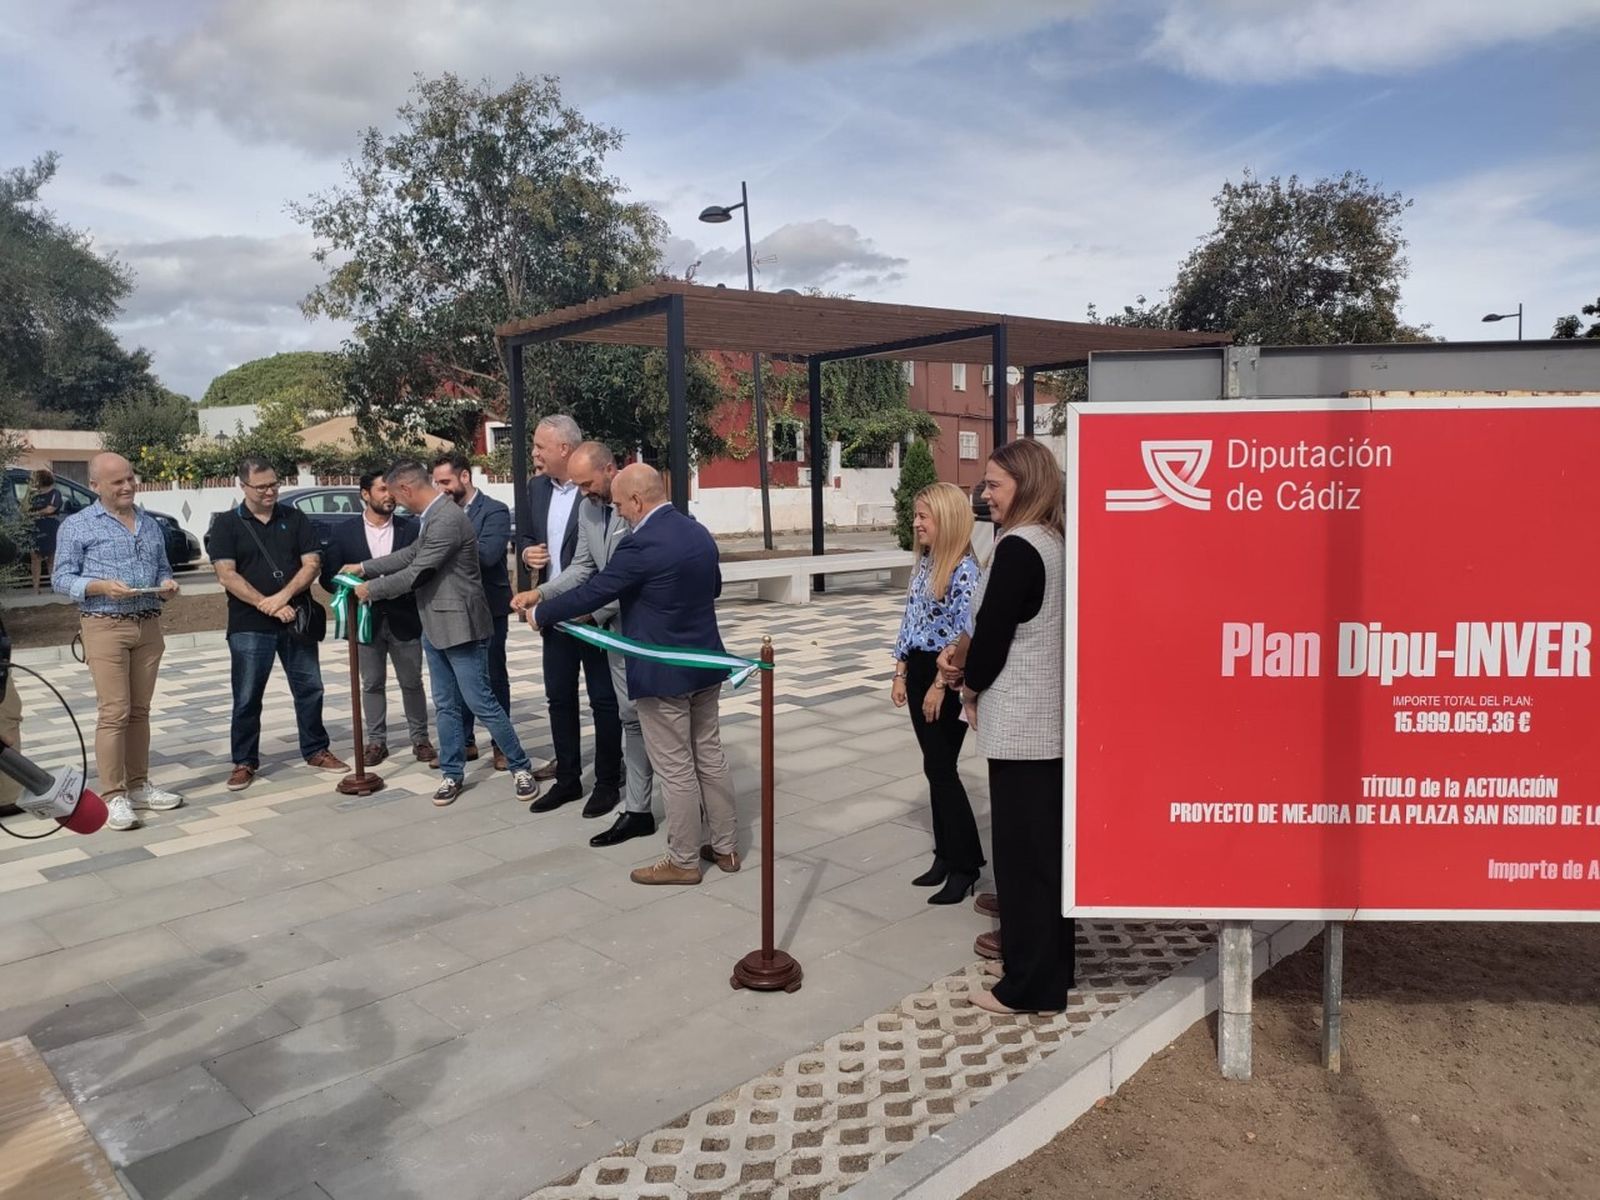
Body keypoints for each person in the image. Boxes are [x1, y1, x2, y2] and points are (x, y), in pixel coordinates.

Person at [526, 465, 735, 885]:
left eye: (621, 505)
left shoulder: (641, 544)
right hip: (705, 665)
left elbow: (596, 590)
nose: (619, 514)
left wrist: (540, 612)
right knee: (709, 757)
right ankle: (726, 848)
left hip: (663, 674)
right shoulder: (697, 532)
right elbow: (713, 587)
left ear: (638, 501)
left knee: (675, 769)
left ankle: (684, 860)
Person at [939, 438, 1072, 1016]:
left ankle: (1029, 987)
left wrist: (965, 684)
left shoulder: (1019, 547)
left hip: (1023, 728)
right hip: (1044, 726)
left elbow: (991, 644)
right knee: (1040, 859)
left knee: (1023, 862)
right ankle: (1043, 964)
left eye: (994, 484)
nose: (984, 494)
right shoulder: (1053, 541)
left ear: (1027, 484)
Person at [344, 460, 538, 807]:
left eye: (395, 495)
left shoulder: (446, 518)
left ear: (405, 488)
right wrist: (365, 567)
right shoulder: (431, 517)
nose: (396, 503)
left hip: (462, 627)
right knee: (446, 706)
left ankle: (520, 766)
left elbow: (418, 571)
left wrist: (371, 589)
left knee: (482, 702)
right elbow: (411, 554)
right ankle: (452, 773)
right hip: (433, 625)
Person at [513, 442, 653, 844]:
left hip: (635, 629)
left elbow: (631, 575)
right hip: (596, 619)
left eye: (588, 484)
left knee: (631, 714)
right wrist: (542, 596)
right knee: (610, 711)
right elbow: (584, 567)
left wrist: (590, 612)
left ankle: (618, 787)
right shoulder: (590, 506)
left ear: (610, 470)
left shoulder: (639, 504)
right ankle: (606, 794)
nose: (583, 492)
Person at [51, 452, 184, 830]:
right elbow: (61, 579)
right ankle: (114, 795)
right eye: (117, 482)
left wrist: (167, 585)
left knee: (140, 711)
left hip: (148, 624)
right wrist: (99, 587)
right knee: (115, 712)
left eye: (130, 479)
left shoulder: (149, 523)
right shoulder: (77, 526)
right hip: (104, 625)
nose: (127, 487)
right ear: (95, 486)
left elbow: (161, 567)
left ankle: (139, 785)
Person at [209, 457, 349, 791]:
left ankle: (316, 748)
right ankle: (244, 760)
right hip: (248, 624)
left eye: (274, 483)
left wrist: (282, 598)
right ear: (243, 486)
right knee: (246, 696)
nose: (271, 491)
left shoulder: (295, 517)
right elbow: (226, 574)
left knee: (310, 687)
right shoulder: (227, 524)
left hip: (295, 619)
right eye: (262, 486)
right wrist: (265, 604)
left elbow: (312, 564)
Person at [518, 415, 622, 813]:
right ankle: (568, 779)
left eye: (540, 447)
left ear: (565, 449)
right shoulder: (536, 488)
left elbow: (608, 571)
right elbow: (538, 542)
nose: (534, 454)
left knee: (604, 700)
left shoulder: (599, 493)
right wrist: (536, 587)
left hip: (597, 615)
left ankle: (608, 781)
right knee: (559, 699)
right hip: (556, 613)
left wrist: (589, 612)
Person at [891, 481, 983, 904]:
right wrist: (899, 669)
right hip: (919, 667)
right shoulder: (927, 562)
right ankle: (946, 854)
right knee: (933, 766)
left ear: (944, 518)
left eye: (923, 516)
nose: (916, 523)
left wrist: (937, 686)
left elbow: (962, 633)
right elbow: (912, 617)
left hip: (945, 675)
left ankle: (966, 865)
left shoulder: (964, 569)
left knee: (943, 769)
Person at [321, 470, 434, 766]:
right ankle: (376, 742)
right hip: (365, 621)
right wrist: (349, 593)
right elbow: (329, 575)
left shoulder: (411, 528)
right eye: (382, 489)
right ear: (365, 494)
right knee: (371, 683)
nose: (390, 495)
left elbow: (420, 570)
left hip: (404, 616)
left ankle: (420, 739)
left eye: (392, 489)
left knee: (411, 681)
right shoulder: (343, 532)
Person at [432, 452, 516, 771]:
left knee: (492, 676)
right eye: (436, 482)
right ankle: (463, 742)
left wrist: (441, 550)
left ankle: (501, 745)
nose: (440, 489)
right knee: (456, 677)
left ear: (464, 477)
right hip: (449, 608)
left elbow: (488, 556)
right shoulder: (435, 513)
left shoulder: (493, 510)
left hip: (488, 607)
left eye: (446, 482)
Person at [26, 468, 61, 595]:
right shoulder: (33, 494)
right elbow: (25, 508)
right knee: (35, 558)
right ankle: (36, 588)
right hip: (35, 526)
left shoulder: (55, 493)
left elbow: (50, 509)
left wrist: (34, 513)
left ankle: (54, 586)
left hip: (50, 526)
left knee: (51, 558)